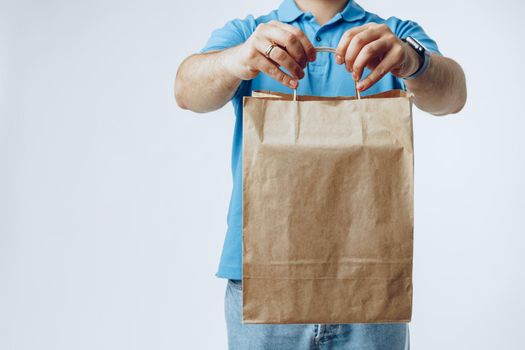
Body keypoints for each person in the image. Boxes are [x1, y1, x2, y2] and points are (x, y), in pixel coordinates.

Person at [175, 0, 467, 349]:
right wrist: (238, 57)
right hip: (262, 277)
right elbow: (186, 92)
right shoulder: (250, 33)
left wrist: (412, 60)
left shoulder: (392, 35)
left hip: (370, 277)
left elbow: (453, 96)